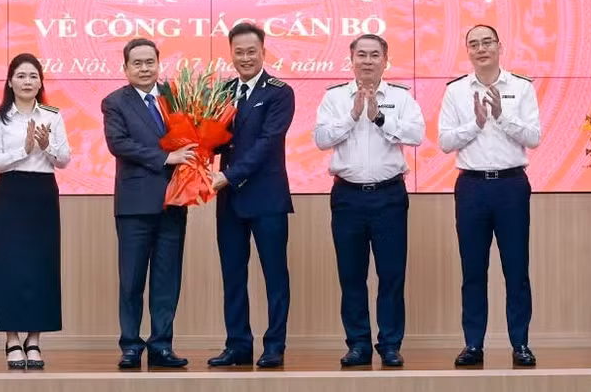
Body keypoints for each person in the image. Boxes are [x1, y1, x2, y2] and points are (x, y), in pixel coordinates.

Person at [313, 34, 425, 368]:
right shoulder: (334, 98)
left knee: (391, 274)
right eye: (361, 55)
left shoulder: (401, 97)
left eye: (374, 55)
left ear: (385, 60)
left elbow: (417, 135)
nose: (367, 61)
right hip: (347, 196)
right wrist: (352, 116)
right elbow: (320, 139)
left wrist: (379, 117)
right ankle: (358, 344)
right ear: (351, 59)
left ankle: (389, 344)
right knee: (351, 274)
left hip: (389, 195)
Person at [438, 24, 541, 367]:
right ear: (467, 50)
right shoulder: (455, 91)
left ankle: (520, 344)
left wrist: (502, 116)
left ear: (500, 47)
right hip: (471, 187)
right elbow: (445, 142)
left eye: (487, 42)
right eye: (473, 44)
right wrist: (476, 124)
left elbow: (534, 136)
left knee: (516, 269)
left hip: (511, 186)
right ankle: (473, 345)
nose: (481, 48)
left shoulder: (522, 87)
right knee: (473, 270)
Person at [101, 38, 197, 369]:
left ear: (159, 63)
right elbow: (119, 144)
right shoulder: (114, 102)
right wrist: (165, 157)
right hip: (134, 205)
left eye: (149, 62)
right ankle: (130, 345)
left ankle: (161, 346)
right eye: (137, 63)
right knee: (131, 279)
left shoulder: (176, 97)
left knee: (167, 279)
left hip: (174, 201)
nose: (144, 68)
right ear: (126, 68)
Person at [208, 22, 295, 368]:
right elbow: (213, 139)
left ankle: (274, 345)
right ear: (231, 54)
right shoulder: (222, 91)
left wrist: (227, 176)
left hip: (267, 197)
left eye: (251, 51)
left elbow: (266, 145)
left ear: (263, 52)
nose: (245, 57)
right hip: (229, 201)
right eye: (239, 52)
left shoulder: (279, 92)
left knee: (275, 275)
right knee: (232, 275)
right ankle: (238, 344)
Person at [0, 52, 71, 370]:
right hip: (10, 192)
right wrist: (26, 149)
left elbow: (64, 160)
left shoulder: (52, 115)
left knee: (41, 266)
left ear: (41, 81)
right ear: (10, 81)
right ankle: (11, 340)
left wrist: (46, 146)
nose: (28, 81)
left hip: (43, 193)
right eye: (21, 75)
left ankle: (34, 340)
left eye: (33, 76)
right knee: (9, 266)